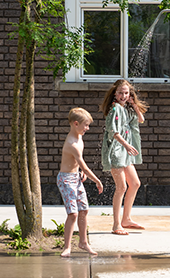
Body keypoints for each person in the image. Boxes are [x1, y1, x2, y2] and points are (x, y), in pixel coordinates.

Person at [100, 79, 149, 235]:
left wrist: (134, 104)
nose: (123, 95)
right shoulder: (115, 109)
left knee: (135, 183)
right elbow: (113, 132)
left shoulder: (127, 109)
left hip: (125, 153)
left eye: (126, 93)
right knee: (121, 187)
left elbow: (141, 119)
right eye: (120, 92)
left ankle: (126, 219)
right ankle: (116, 225)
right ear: (115, 93)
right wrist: (127, 145)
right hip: (116, 151)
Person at [57, 107, 103, 257]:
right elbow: (84, 164)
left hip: (75, 177)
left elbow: (78, 163)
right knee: (73, 214)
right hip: (66, 180)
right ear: (76, 124)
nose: (87, 128)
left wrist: (80, 172)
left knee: (84, 210)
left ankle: (83, 242)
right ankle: (67, 247)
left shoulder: (79, 138)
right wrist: (97, 180)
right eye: (86, 125)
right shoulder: (72, 144)